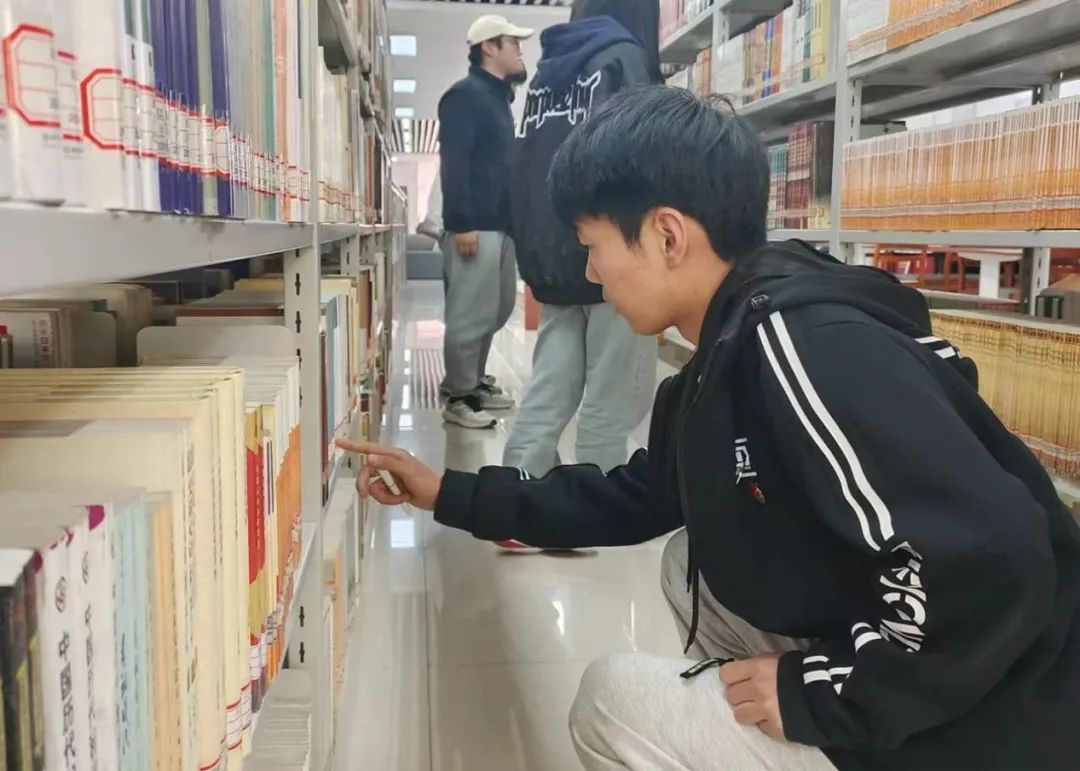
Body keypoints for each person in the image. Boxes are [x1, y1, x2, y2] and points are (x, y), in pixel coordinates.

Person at [339, 87, 1080, 771]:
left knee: (612, 700)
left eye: (594, 246)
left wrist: (821, 694)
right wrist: (449, 493)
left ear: (667, 236)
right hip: (931, 673)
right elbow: (638, 497)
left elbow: (995, 562)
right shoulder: (728, 347)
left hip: (983, 725)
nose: (592, 274)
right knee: (695, 557)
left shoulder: (809, 349)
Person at [502, 0, 661, 481]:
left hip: (553, 256)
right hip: (614, 252)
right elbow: (648, 159)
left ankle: (518, 493)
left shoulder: (547, 73)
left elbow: (525, 164)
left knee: (548, 391)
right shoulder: (624, 59)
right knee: (612, 401)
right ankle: (599, 499)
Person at [437, 14, 530, 430]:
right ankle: (458, 395)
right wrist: (462, 223)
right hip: (474, 227)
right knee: (469, 316)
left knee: (495, 310)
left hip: (501, 226)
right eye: (514, 43)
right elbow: (454, 163)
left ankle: (472, 382)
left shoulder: (497, 99)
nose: (521, 51)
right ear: (489, 47)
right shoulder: (465, 96)